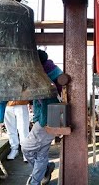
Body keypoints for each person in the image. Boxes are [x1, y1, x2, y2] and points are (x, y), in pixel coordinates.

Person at [21, 49, 64, 185]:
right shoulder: (45, 72)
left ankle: (39, 176)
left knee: (27, 148)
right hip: (47, 117)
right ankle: (43, 171)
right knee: (41, 154)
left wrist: (45, 123)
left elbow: (49, 100)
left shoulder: (47, 76)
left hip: (49, 118)